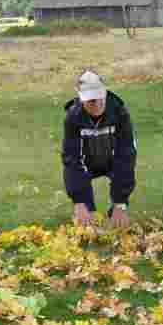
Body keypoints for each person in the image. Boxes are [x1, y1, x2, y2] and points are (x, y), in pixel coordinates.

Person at [62, 70, 136, 229]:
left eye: (100, 98)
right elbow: (72, 159)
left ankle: (115, 209)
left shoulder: (120, 112)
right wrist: (79, 202)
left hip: (113, 161)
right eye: (91, 101)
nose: (97, 104)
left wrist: (120, 203)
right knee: (87, 221)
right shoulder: (73, 117)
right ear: (82, 100)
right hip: (86, 164)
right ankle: (88, 210)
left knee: (119, 209)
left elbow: (126, 156)